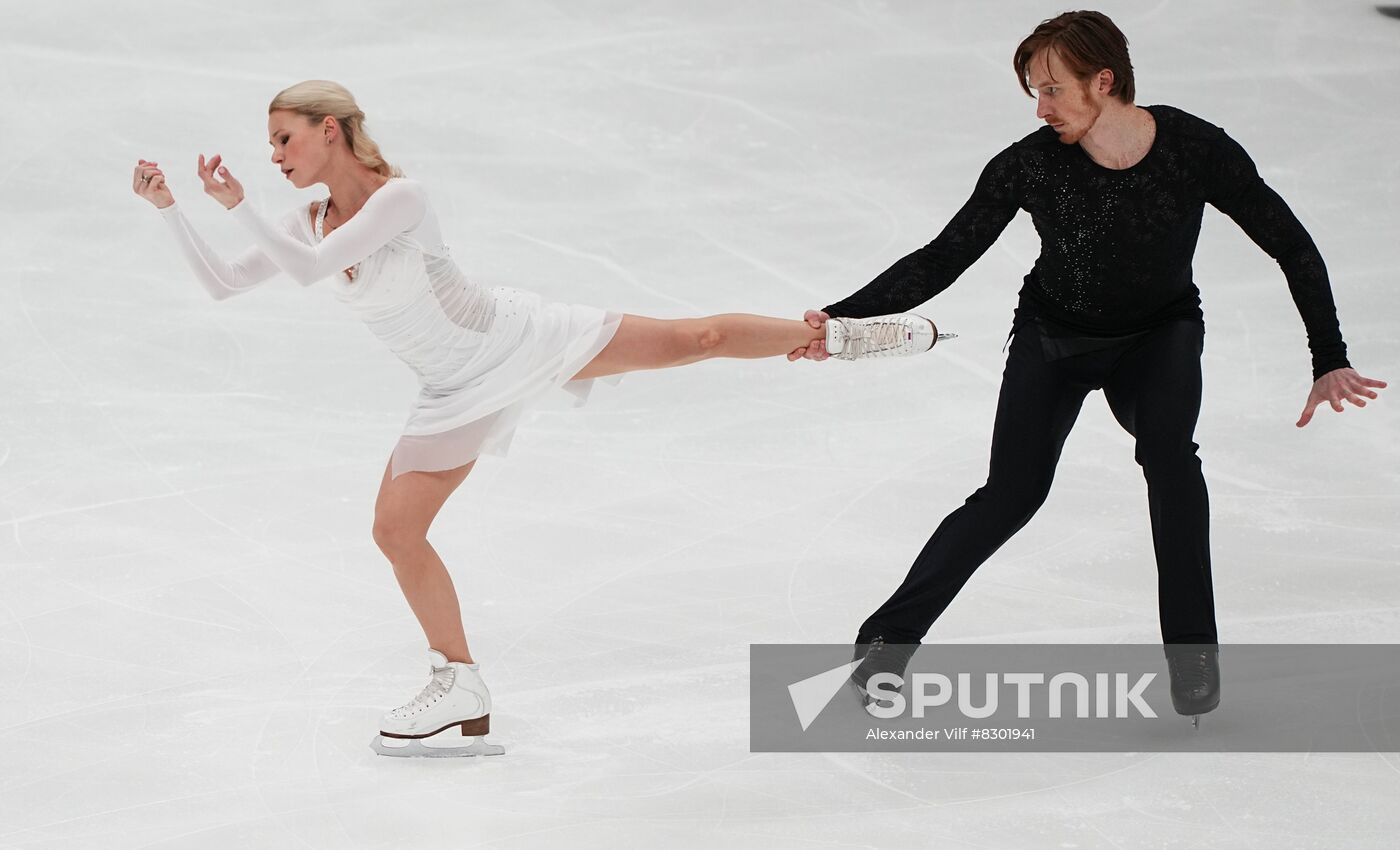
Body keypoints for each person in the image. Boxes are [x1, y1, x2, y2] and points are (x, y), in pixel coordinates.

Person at [133, 80, 942, 757]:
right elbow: (223, 283)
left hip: (518, 341)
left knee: (693, 339)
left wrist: (235, 205)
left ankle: (837, 337)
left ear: (331, 132)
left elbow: (313, 273)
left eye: (284, 141)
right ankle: (459, 681)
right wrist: (173, 209)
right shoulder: (303, 221)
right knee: (395, 530)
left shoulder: (399, 199)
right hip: (447, 389)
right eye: (270, 147)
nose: (274, 159)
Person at [799, 11, 1386, 722]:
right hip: (1055, 337)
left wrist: (1330, 357)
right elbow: (941, 256)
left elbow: (1289, 242)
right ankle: (888, 638)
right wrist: (842, 319)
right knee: (1011, 494)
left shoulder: (1194, 148)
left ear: (1102, 81)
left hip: (1158, 336)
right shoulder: (1031, 164)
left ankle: (1193, 650)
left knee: (1171, 461)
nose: (1040, 109)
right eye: (1033, 93)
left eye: (1052, 90)